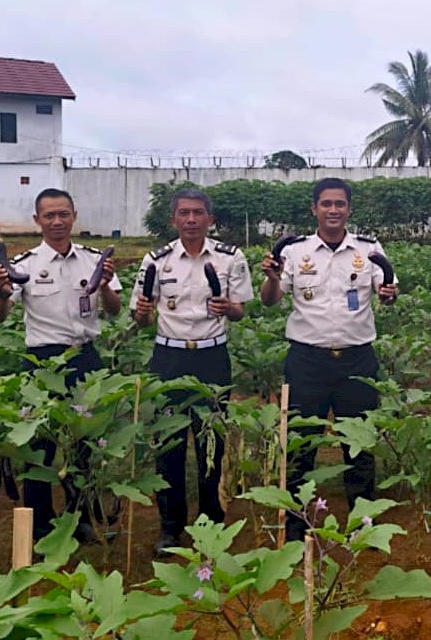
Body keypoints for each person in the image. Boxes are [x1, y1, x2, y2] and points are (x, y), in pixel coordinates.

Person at [259, 177, 398, 542]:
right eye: (326, 204)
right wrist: (271, 278)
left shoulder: (368, 250)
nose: (333, 210)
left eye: (340, 204)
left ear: (349, 209)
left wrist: (389, 293)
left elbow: (385, 295)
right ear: (314, 209)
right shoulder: (293, 252)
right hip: (307, 360)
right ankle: (295, 526)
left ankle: (363, 524)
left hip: (356, 359)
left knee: (360, 445)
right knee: (302, 445)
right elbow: (270, 300)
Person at [0, 187, 122, 542]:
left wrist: (106, 286)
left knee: (86, 444)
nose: (57, 221)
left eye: (63, 214)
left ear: (74, 216)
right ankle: (41, 527)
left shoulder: (95, 261)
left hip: (86, 357)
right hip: (43, 363)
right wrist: (1, 292)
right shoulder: (22, 265)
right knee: (39, 447)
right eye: (49, 215)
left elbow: (114, 310)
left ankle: (81, 521)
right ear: (38, 220)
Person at [131, 188, 253, 555]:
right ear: (173, 220)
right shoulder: (156, 261)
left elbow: (240, 311)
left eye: (198, 213)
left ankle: (211, 523)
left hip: (211, 358)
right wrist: (140, 313)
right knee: (168, 445)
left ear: (209, 219)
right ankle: (170, 526)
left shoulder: (230, 258)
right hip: (168, 359)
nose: (191, 219)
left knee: (209, 444)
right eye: (183, 213)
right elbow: (143, 317)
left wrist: (227, 307)